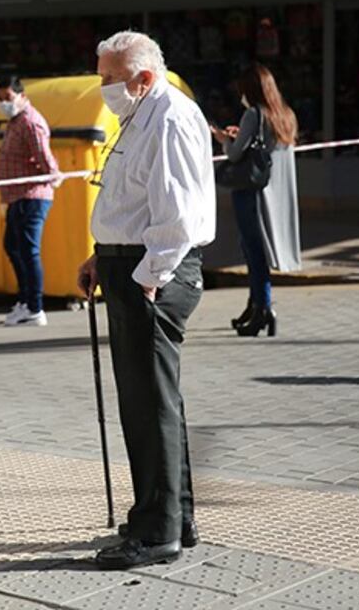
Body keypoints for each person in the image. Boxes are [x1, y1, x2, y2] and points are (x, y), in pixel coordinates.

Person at [77, 31, 215, 570]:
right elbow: (131, 196)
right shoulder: (142, 112)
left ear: (144, 77)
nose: (103, 87)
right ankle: (168, 515)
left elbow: (176, 213)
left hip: (150, 272)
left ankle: (159, 532)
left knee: (149, 403)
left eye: (109, 78)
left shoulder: (169, 116)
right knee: (150, 401)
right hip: (129, 263)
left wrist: (150, 274)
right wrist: (100, 252)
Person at [210, 63, 301, 336]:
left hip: (251, 192)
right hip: (274, 191)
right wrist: (241, 138)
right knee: (256, 248)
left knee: (253, 250)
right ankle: (256, 305)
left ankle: (262, 309)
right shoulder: (285, 115)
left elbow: (236, 155)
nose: (241, 97)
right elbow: (266, 147)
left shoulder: (253, 114)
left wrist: (222, 139)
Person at [0, 76, 60, 327]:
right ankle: (25, 301)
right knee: (13, 247)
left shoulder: (30, 122)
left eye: (8, 98)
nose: (3, 103)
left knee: (28, 251)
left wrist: (54, 176)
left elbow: (44, 157)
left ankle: (35, 308)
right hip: (16, 196)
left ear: (22, 96)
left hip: (32, 196)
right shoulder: (15, 121)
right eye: (0, 99)